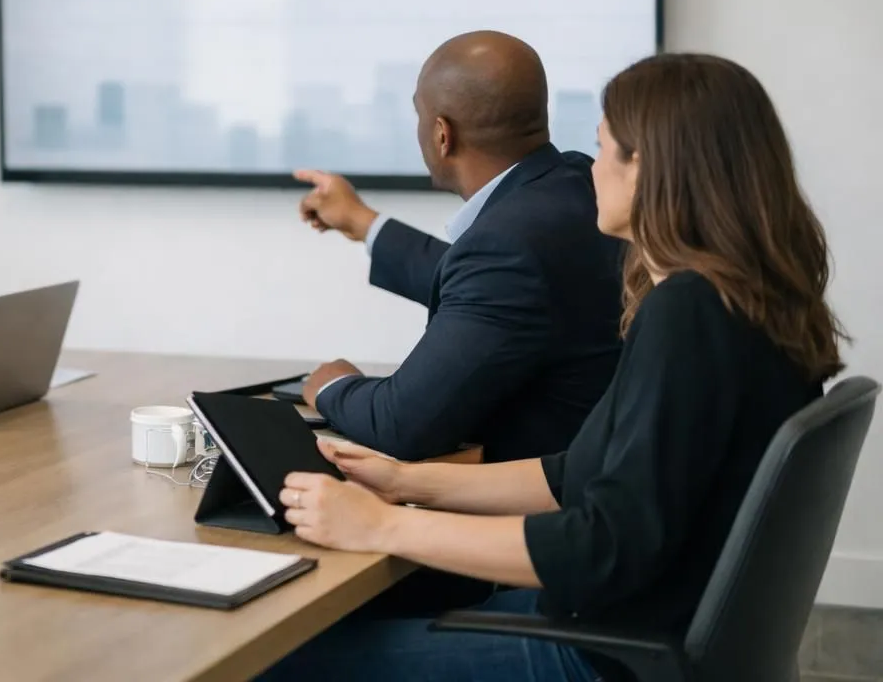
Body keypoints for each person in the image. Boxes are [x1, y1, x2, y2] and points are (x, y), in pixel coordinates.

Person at [265, 53, 846, 681]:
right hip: (645, 627)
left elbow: (604, 546)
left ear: (647, 165)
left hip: (605, 653)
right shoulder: (750, 302)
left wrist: (382, 528)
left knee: (274, 660)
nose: (589, 171)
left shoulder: (689, 313)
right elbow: (581, 473)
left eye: (601, 150)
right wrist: (407, 483)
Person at [295, 31, 623, 465]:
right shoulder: (575, 181)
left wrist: (334, 388)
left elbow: (402, 425)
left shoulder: (508, 246)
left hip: (532, 503)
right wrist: (362, 223)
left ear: (441, 134)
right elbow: (486, 286)